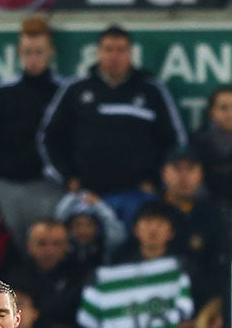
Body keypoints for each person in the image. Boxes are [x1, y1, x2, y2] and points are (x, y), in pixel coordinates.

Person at [39, 25, 188, 237]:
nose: (114, 56)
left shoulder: (151, 90)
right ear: (98, 53)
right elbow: (49, 138)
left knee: (134, 257)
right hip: (88, 196)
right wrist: (67, 177)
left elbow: (175, 141)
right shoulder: (76, 90)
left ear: (131, 54)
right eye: (108, 50)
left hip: (137, 195)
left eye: (120, 50)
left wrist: (156, 181)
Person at [0, 17, 65, 238]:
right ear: (19, 53)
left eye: (39, 51)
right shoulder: (2, 93)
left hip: (48, 186)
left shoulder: (64, 92)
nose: (33, 58)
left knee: (45, 246)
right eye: (28, 52)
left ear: (50, 52)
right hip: (6, 187)